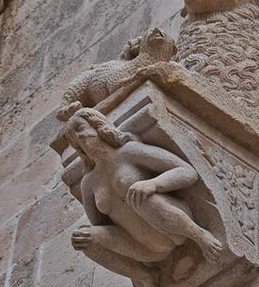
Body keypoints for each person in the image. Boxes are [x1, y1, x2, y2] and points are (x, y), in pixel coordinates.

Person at [64, 108, 223, 269]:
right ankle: (144, 278)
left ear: (97, 126)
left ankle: (200, 235)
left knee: (138, 195)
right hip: (147, 249)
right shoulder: (89, 183)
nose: (80, 137)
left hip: (175, 228)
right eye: (74, 138)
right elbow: (101, 226)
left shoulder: (128, 152)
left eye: (81, 128)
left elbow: (187, 172)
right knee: (83, 238)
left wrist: (153, 184)